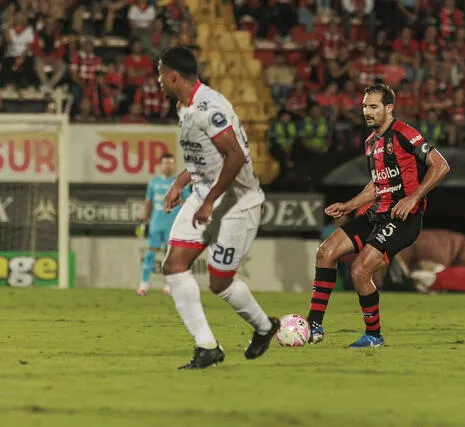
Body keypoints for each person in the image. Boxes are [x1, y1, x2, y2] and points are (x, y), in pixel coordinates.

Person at [157, 47, 279, 369]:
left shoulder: (209, 107)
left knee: (219, 283)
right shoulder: (185, 107)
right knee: (173, 266)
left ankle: (265, 327)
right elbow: (203, 159)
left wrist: (210, 201)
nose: (158, 81)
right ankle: (207, 347)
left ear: (173, 76)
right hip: (203, 195)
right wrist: (180, 184)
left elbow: (235, 157)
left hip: (237, 202)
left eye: (160, 74)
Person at [305, 83, 450, 347]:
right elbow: (377, 184)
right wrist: (349, 206)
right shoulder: (371, 142)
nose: (367, 112)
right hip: (376, 213)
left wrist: (413, 197)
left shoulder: (405, 133)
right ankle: (313, 326)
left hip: (403, 218)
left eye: (373, 106)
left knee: (360, 270)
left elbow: (441, 166)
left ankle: (374, 335)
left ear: (389, 108)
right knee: (325, 253)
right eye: (364, 106)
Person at [136, 153, 189, 296]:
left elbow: (188, 202)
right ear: (160, 165)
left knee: (170, 257)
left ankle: (168, 286)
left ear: (174, 165)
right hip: (156, 224)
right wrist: (143, 221)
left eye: (170, 163)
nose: (168, 166)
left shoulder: (179, 182)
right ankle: (143, 285)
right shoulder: (153, 183)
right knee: (150, 255)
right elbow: (148, 203)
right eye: (165, 163)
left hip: (173, 226)